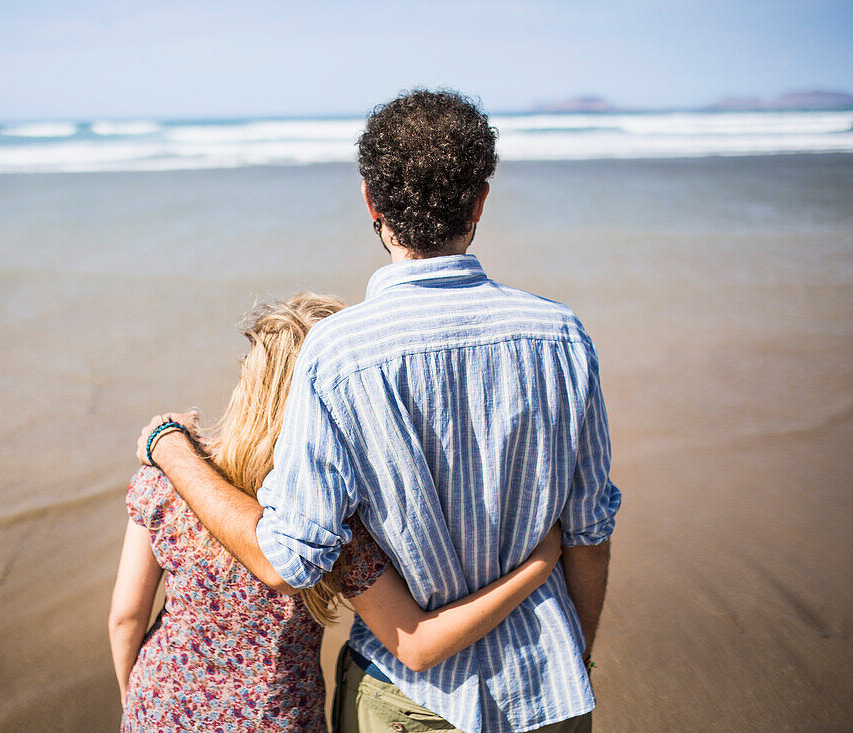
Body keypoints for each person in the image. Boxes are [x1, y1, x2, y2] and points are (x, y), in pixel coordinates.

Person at [140, 89, 621, 733]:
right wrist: (575, 654)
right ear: (480, 200)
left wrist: (171, 448)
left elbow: (288, 558)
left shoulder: (338, 353)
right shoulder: (562, 336)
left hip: (411, 702)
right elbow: (589, 534)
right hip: (549, 692)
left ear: (371, 201)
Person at [111, 292, 566, 732]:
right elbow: (419, 646)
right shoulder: (333, 523)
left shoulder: (164, 479)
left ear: (249, 380)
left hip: (157, 707)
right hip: (274, 719)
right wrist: (540, 563)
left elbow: (126, 618)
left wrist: (134, 702)